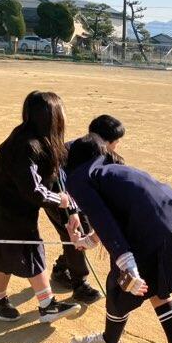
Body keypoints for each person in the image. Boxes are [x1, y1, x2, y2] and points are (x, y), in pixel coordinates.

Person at [64, 134, 172, 343]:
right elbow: (111, 217)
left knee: (119, 287)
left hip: (155, 233)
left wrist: (128, 266)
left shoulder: (79, 177)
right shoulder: (110, 169)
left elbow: (106, 223)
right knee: (156, 289)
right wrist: (88, 241)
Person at [0, 91, 80, 323]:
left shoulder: (43, 141)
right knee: (27, 248)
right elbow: (34, 190)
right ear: (52, 116)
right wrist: (60, 201)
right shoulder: (26, 145)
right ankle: (47, 304)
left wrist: (71, 210)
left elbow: (56, 178)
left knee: (7, 252)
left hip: (12, 207)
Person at [49, 115, 126, 301]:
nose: (117, 145)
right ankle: (80, 284)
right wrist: (72, 212)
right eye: (116, 141)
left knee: (81, 232)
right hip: (58, 197)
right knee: (76, 232)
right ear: (104, 142)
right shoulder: (69, 152)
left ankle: (62, 267)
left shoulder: (103, 156)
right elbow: (60, 184)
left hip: (76, 197)